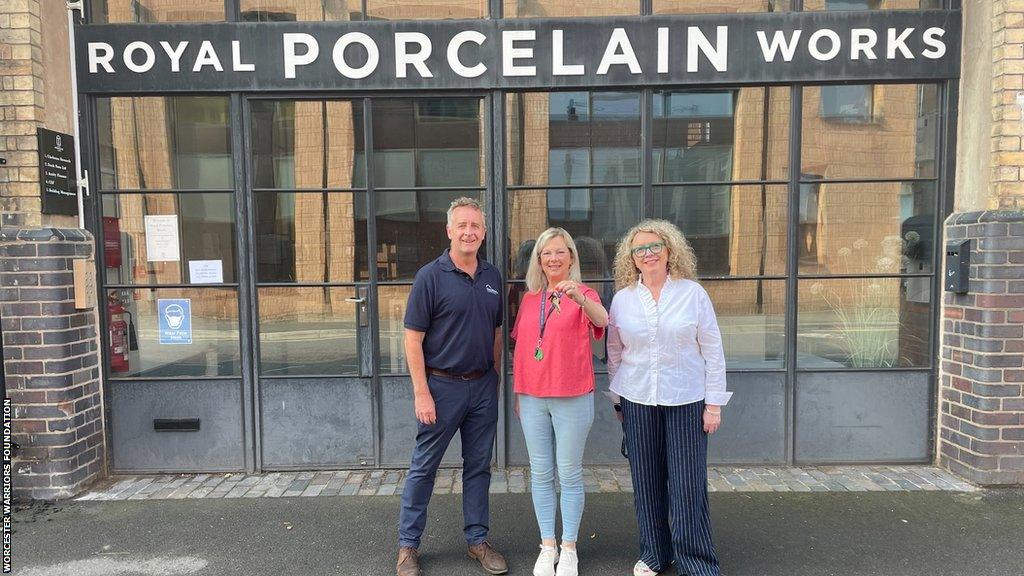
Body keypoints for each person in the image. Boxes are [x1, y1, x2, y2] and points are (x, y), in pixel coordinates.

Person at [606, 219, 732, 576]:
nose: (648, 254)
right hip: (637, 399)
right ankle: (655, 554)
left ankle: (698, 561)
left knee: (688, 485)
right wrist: (618, 401)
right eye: (640, 249)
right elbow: (614, 353)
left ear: (669, 250)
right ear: (631, 259)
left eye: (654, 247)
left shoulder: (693, 294)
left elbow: (713, 351)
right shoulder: (623, 299)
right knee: (646, 483)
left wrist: (713, 405)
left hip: (687, 400)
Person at [397, 197, 508, 576]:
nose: (468, 231)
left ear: (483, 232)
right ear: (449, 231)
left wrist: (493, 377)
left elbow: (496, 333)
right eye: (461, 225)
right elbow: (412, 339)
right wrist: (421, 392)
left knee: (478, 468)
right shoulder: (430, 275)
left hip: (481, 388)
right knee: (423, 468)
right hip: (441, 388)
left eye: (475, 226)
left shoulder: (493, 276)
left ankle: (477, 541)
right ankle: (408, 547)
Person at [510, 228, 609, 576]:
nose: (553, 258)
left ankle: (569, 548)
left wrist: (580, 299)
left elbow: (603, 320)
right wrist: (519, 392)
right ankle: (546, 545)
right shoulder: (529, 298)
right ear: (539, 260)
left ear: (571, 257)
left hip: (572, 397)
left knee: (568, 473)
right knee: (540, 473)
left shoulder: (583, 293)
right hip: (534, 398)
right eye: (546, 253)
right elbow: (522, 349)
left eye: (559, 252)